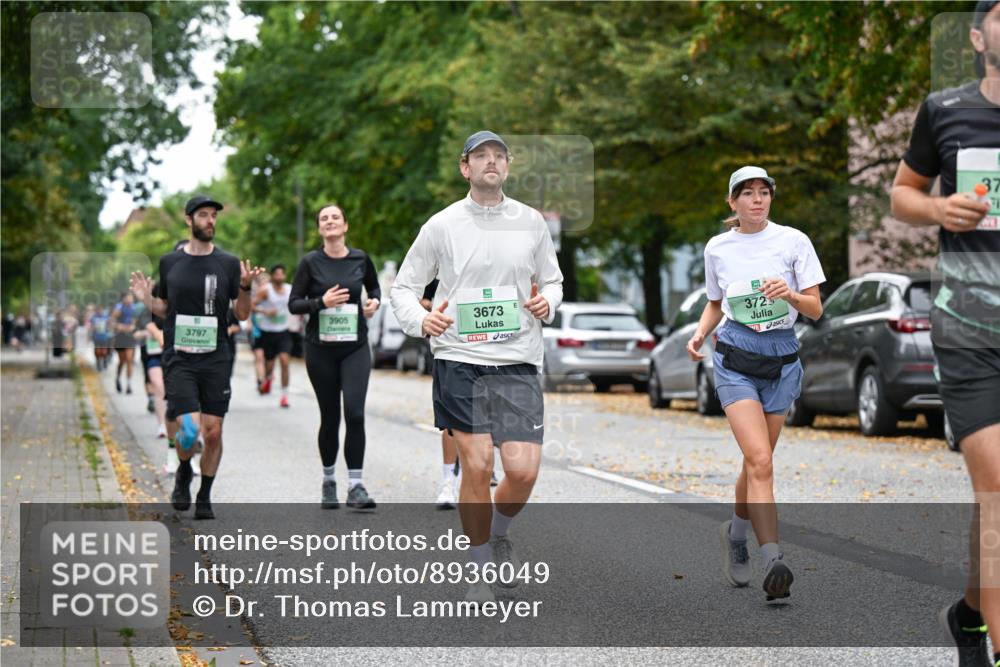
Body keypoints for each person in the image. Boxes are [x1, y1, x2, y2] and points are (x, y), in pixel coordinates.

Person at [391, 130, 563, 604]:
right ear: (465, 168)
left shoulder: (530, 222)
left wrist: (547, 300)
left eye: (499, 156)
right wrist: (422, 319)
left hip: (517, 359)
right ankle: (479, 561)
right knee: (478, 462)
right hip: (460, 358)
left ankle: (499, 530)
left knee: (524, 471)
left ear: (507, 167)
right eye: (481, 156)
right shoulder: (441, 225)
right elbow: (403, 287)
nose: (491, 162)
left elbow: (552, 278)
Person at [890, 3, 1000, 664]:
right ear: (978, 35)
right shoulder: (946, 109)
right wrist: (938, 206)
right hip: (971, 329)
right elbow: (903, 193)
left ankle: (968, 614)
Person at [686, 166, 825, 602]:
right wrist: (699, 332)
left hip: (782, 359)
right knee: (761, 460)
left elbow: (816, 310)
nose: (757, 200)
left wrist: (789, 295)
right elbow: (715, 302)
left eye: (764, 192)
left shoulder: (793, 241)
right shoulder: (718, 248)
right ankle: (773, 559)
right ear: (733, 202)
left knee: (755, 464)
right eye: (747, 193)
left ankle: (736, 532)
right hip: (736, 360)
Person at [130, 194, 261, 520]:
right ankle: (185, 467)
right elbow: (164, 308)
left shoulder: (228, 263)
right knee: (189, 429)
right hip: (180, 356)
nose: (210, 221)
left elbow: (241, 314)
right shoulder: (170, 263)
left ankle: (203, 494)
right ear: (189, 220)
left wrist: (245, 288)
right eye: (203, 215)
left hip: (216, 355)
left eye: (214, 215)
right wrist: (147, 299)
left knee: (213, 431)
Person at [289, 203, 381, 510]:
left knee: (354, 413)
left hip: (355, 346)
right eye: (324, 219)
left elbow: (374, 288)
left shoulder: (360, 258)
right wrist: (321, 301)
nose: (330, 222)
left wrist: (373, 304)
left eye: (335, 217)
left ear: (345, 226)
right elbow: (294, 304)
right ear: (320, 229)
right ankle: (329, 481)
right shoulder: (309, 263)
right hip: (320, 349)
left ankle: (356, 485)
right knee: (330, 417)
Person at [253, 264, 294, 407]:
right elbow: (251, 306)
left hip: (283, 331)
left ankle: (284, 395)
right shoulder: (265, 291)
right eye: (276, 274)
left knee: (284, 361)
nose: (279, 277)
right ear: (272, 276)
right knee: (269, 364)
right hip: (267, 332)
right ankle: (269, 377)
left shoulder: (289, 289)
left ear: (284, 276)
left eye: (282, 274)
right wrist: (265, 312)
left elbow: (296, 303)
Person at [136, 290, 168, 440]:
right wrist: (147, 334)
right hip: (152, 355)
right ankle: (162, 425)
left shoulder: (172, 309)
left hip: (172, 355)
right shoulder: (144, 312)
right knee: (157, 385)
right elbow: (135, 333)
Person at [109, 292, 138, 394]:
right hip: (120, 337)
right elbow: (111, 322)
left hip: (131, 338)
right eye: (128, 297)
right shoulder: (119, 308)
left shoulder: (135, 308)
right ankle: (118, 378)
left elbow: (138, 321)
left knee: (129, 360)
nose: (131, 299)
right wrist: (119, 326)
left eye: (132, 297)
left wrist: (134, 327)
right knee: (122, 361)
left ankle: (129, 384)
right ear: (123, 299)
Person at [250, 271, 269, 393]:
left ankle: (267, 378)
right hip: (257, 330)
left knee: (268, 358)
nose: (265, 286)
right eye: (262, 283)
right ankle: (260, 381)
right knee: (259, 357)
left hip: (271, 331)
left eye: (267, 283)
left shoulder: (273, 296)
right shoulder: (255, 296)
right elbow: (248, 309)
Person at [90, 305, 113, 371]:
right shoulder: (93, 318)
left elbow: (109, 325)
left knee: (104, 351)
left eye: (101, 310)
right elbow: (91, 327)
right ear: (96, 311)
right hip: (96, 337)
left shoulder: (106, 317)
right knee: (97, 351)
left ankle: (104, 361)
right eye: (98, 310)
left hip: (104, 337)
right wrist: (91, 332)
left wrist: (108, 327)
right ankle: (98, 363)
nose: (99, 311)